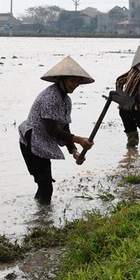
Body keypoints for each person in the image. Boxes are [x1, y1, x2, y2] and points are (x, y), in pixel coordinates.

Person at [18, 56, 94, 205]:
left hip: (42, 143)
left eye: (78, 82)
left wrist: (74, 151)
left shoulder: (66, 100)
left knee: (45, 183)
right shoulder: (50, 97)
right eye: (72, 81)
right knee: (45, 184)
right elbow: (52, 130)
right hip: (31, 142)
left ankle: (40, 213)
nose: (75, 85)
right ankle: (42, 219)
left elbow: (64, 127)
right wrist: (78, 139)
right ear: (61, 79)